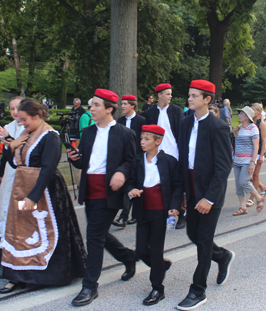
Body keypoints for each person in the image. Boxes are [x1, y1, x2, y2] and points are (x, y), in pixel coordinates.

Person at [0, 99, 86, 293]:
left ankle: (39, 275)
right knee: (20, 230)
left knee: (40, 231)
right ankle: (16, 274)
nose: (21, 123)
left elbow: (47, 169)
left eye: (24, 119)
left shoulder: (50, 137)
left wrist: (33, 196)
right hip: (21, 190)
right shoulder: (24, 134)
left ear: (37, 117)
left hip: (45, 192)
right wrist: (10, 146)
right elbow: (14, 164)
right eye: (20, 120)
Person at [68, 89, 137, 307]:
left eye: (97, 105)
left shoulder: (125, 134)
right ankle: (128, 258)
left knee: (94, 237)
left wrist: (121, 173)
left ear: (109, 109)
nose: (92, 109)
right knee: (99, 234)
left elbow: (133, 162)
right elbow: (84, 163)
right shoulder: (88, 133)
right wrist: (75, 159)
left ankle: (90, 286)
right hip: (90, 190)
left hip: (110, 192)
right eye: (91, 105)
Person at [176, 80, 235, 310]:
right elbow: (183, 161)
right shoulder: (185, 123)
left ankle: (198, 290)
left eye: (194, 96)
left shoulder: (218, 127)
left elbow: (223, 167)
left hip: (211, 193)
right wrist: (182, 192)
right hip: (190, 190)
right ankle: (221, 256)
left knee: (203, 241)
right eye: (189, 95)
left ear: (207, 99)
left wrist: (209, 198)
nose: (189, 99)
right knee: (193, 233)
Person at [126, 124, 183, 306]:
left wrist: (175, 206)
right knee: (142, 250)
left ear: (158, 141)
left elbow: (177, 185)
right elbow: (130, 182)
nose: (142, 142)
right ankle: (161, 266)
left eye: (146, 139)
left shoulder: (169, 161)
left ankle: (157, 287)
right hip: (143, 211)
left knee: (156, 250)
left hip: (160, 212)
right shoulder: (137, 161)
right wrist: (131, 190)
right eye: (141, 139)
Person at [142, 83, 185, 229]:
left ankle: (179, 213)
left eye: (171, 93)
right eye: (168, 93)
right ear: (159, 95)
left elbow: (180, 132)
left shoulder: (177, 111)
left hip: (174, 152)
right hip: (157, 153)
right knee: (161, 183)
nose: (170, 96)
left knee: (176, 184)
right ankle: (162, 212)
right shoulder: (149, 113)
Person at [0, 96, 25, 258]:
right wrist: (0, 173)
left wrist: (9, 139)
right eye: (12, 109)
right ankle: (1, 245)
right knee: (5, 205)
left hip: (24, 173)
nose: (15, 112)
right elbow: (5, 155)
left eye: (18, 108)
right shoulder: (8, 127)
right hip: (10, 171)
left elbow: (24, 150)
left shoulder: (29, 126)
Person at [113, 94, 147, 228]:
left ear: (133, 105)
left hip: (139, 157)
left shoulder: (141, 120)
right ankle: (124, 216)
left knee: (137, 186)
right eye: (122, 104)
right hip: (125, 159)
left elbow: (145, 138)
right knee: (128, 185)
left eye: (125, 104)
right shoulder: (120, 121)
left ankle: (132, 215)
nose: (122, 106)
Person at [231, 106, 265, 216]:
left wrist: (252, 162)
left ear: (247, 116)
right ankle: (243, 207)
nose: (239, 115)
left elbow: (256, 147)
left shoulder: (253, 128)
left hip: (247, 161)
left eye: (241, 114)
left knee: (243, 181)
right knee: (238, 185)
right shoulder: (239, 128)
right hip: (237, 160)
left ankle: (259, 198)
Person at [247, 103, 266, 207]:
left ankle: (252, 197)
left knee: (255, 175)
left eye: (254, 110)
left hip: (258, 152)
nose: (252, 111)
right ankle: (262, 187)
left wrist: (261, 155)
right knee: (248, 175)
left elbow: (264, 139)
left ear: (259, 112)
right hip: (250, 151)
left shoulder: (261, 123)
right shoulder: (250, 121)